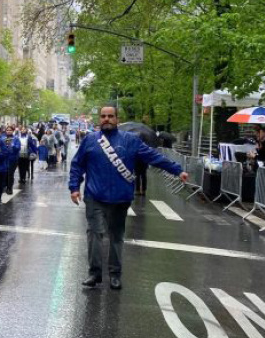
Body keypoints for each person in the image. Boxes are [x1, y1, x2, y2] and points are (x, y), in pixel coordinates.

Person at [69, 106, 187, 290]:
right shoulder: (90, 140)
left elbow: (154, 157)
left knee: (116, 238)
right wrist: (74, 187)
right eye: (103, 116)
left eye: (110, 116)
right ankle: (94, 273)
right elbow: (77, 165)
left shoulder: (131, 140)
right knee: (94, 234)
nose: (106, 119)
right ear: (99, 119)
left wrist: (177, 170)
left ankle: (115, 274)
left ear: (117, 119)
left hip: (120, 198)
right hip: (94, 196)